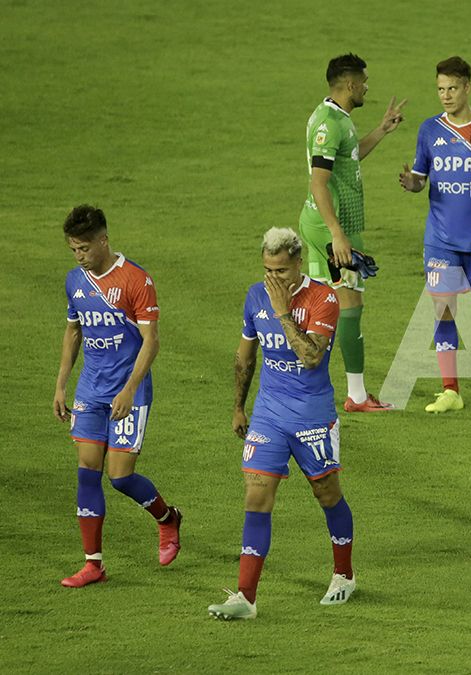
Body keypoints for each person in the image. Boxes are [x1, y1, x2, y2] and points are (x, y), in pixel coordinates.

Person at [208, 228, 355, 620]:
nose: (274, 279)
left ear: (298, 261)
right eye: (268, 270)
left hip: (312, 415)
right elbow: (245, 357)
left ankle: (344, 574)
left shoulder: (324, 299)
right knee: (256, 498)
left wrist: (283, 311)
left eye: (282, 271)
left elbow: (310, 357)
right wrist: (239, 407)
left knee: (327, 494)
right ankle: (245, 598)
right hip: (269, 414)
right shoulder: (255, 295)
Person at [53, 205, 182, 587]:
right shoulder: (75, 282)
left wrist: (128, 389)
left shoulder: (135, 280)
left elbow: (151, 341)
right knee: (87, 472)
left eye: (84, 248)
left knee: (120, 478)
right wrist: (61, 384)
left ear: (103, 241)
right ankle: (94, 564)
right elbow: (73, 332)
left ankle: (167, 518)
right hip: (91, 389)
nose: (79, 256)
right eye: (73, 250)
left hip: (131, 390)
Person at [399, 56, 471, 413]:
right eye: (440, 89)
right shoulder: (430, 130)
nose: (445, 96)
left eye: (451, 88)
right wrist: (411, 182)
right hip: (440, 240)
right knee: (443, 309)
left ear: (467, 88)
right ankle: (451, 390)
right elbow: (421, 179)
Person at [299, 53, 406, 413]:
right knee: (349, 305)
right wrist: (337, 234)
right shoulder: (329, 123)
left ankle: (308, 387)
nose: (366, 87)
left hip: (324, 224)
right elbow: (319, 183)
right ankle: (356, 396)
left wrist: (381, 129)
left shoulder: (335, 117)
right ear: (349, 84)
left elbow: (350, 157)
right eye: (363, 81)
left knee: (321, 305)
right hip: (334, 226)